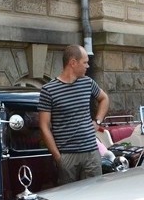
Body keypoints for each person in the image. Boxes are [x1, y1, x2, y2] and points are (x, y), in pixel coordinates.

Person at [39, 45, 110, 185]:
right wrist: (58, 158)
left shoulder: (87, 83)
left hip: (91, 153)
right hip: (67, 155)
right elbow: (44, 126)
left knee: (95, 195)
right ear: (73, 62)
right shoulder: (49, 90)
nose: (88, 66)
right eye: (85, 62)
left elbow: (104, 98)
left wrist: (98, 121)